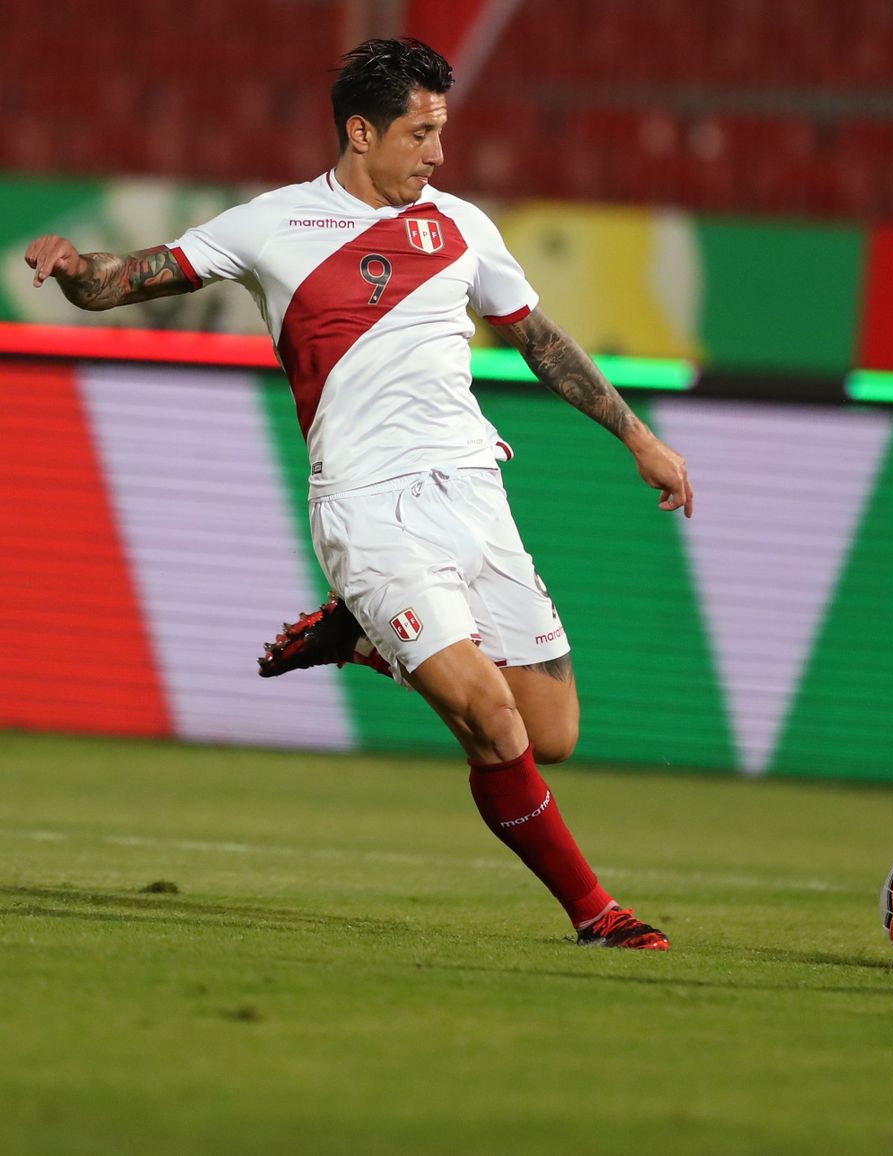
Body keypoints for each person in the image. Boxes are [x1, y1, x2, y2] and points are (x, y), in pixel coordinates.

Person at [25, 37, 695, 950]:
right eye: (421, 134)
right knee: (491, 723)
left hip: (472, 491)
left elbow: (537, 338)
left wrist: (639, 436)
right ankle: (598, 914)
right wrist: (73, 268)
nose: (438, 154)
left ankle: (366, 638)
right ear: (359, 131)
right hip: (367, 506)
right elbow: (121, 283)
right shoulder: (273, 224)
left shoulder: (462, 227)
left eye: (441, 132)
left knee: (553, 731)